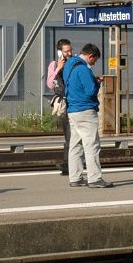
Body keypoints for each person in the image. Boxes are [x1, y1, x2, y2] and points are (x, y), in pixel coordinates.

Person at [63, 43, 113, 188]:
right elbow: (90, 91)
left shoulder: (69, 65)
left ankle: (75, 178)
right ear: (90, 56)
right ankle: (95, 179)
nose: (94, 63)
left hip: (72, 110)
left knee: (75, 145)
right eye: (94, 60)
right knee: (92, 145)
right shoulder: (83, 69)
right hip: (85, 110)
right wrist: (97, 83)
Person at [46, 38, 74, 175]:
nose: (69, 53)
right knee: (68, 135)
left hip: (74, 102)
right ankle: (68, 164)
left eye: (70, 50)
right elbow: (50, 84)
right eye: (66, 51)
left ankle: (68, 164)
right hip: (63, 104)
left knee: (72, 135)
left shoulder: (74, 63)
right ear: (59, 52)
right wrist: (58, 69)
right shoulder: (54, 64)